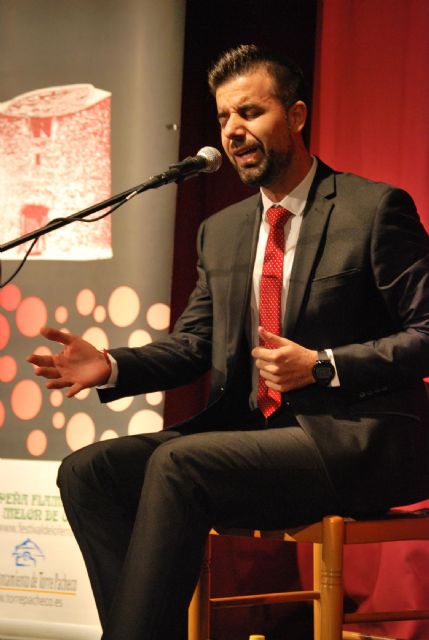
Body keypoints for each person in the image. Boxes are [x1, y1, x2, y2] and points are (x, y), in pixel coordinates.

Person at [28, 44, 429, 640]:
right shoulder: (223, 231)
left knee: (181, 462)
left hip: (362, 439)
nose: (233, 131)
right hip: (260, 440)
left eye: (250, 113)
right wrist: (112, 365)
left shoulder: (372, 210)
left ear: (295, 116)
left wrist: (323, 366)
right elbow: (194, 344)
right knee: (90, 471)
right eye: (223, 118)